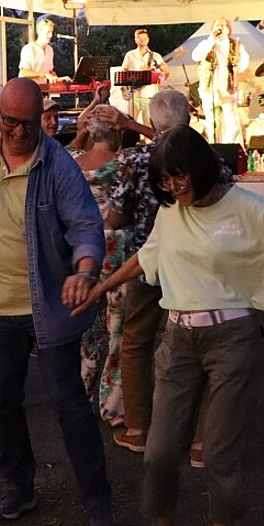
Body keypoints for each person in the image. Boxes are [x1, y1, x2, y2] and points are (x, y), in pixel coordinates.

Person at [73, 127, 264, 526]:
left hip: (232, 339)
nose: (174, 187)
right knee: (159, 451)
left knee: (219, 455)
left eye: (179, 177)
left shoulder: (248, 208)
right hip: (179, 340)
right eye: (165, 180)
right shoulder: (171, 212)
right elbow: (147, 256)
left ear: (200, 167)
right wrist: (100, 287)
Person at [0, 77, 120, 526]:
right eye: (10, 122)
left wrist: (84, 271)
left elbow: (86, 226)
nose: (19, 133)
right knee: (1, 401)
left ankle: (97, 504)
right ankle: (18, 487)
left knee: (69, 404)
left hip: (48, 305)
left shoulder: (57, 166)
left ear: (40, 119)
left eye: (28, 124)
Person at [102, 89, 191, 454]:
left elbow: (118, 215)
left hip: (145, 263)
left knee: (136, 342)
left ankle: (138, 428)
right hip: (192, 264)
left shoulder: (134, 160)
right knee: (196, 347)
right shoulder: (204, 159)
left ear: (152, 123)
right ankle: (198, 438)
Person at [69, 111, 128, 432]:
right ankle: (112, 404)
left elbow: (60, 152)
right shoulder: (125, 165)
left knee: (87, 330)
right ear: (117, 133)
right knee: (117, 330)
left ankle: (80, 392)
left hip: (84, 254)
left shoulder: (72, 163)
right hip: (118, 254)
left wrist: (79, 132)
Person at [191, 18, 248, 145]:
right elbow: (195, 56)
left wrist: (238, 67)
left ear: (228, 29)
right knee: (212, 122)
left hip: (227, 86)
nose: (220, 28)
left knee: (231, 121)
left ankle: (232, 148)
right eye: (217, 25)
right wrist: (211, 39)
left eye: (223, 25)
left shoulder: (236, 45)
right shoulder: (207, 43)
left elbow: (244, 61)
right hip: (209, 86)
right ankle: (214, 148)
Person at [121, 27, 172, 125]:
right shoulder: (129, 55)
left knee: (148, 124)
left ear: (148, 40)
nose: (142, 41)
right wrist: (125, 87)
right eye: (140, 39)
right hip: (133, 95)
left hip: (149, 95)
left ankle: (149, 141)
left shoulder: (155, 56)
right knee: (131, 123)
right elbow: (123, 72)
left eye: (145, 39)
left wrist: (160, 79)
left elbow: (166, 72)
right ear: (136, 40)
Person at [18, 15, 61, 84]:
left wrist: (59, 79)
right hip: (26, 89)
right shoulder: (29, 49)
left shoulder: (50, 50)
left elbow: (49, 71)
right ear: (39, 31)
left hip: (41, 90)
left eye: (51, 32)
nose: (51, 35)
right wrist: (44, 74)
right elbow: (24, 72)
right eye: (48, 32)